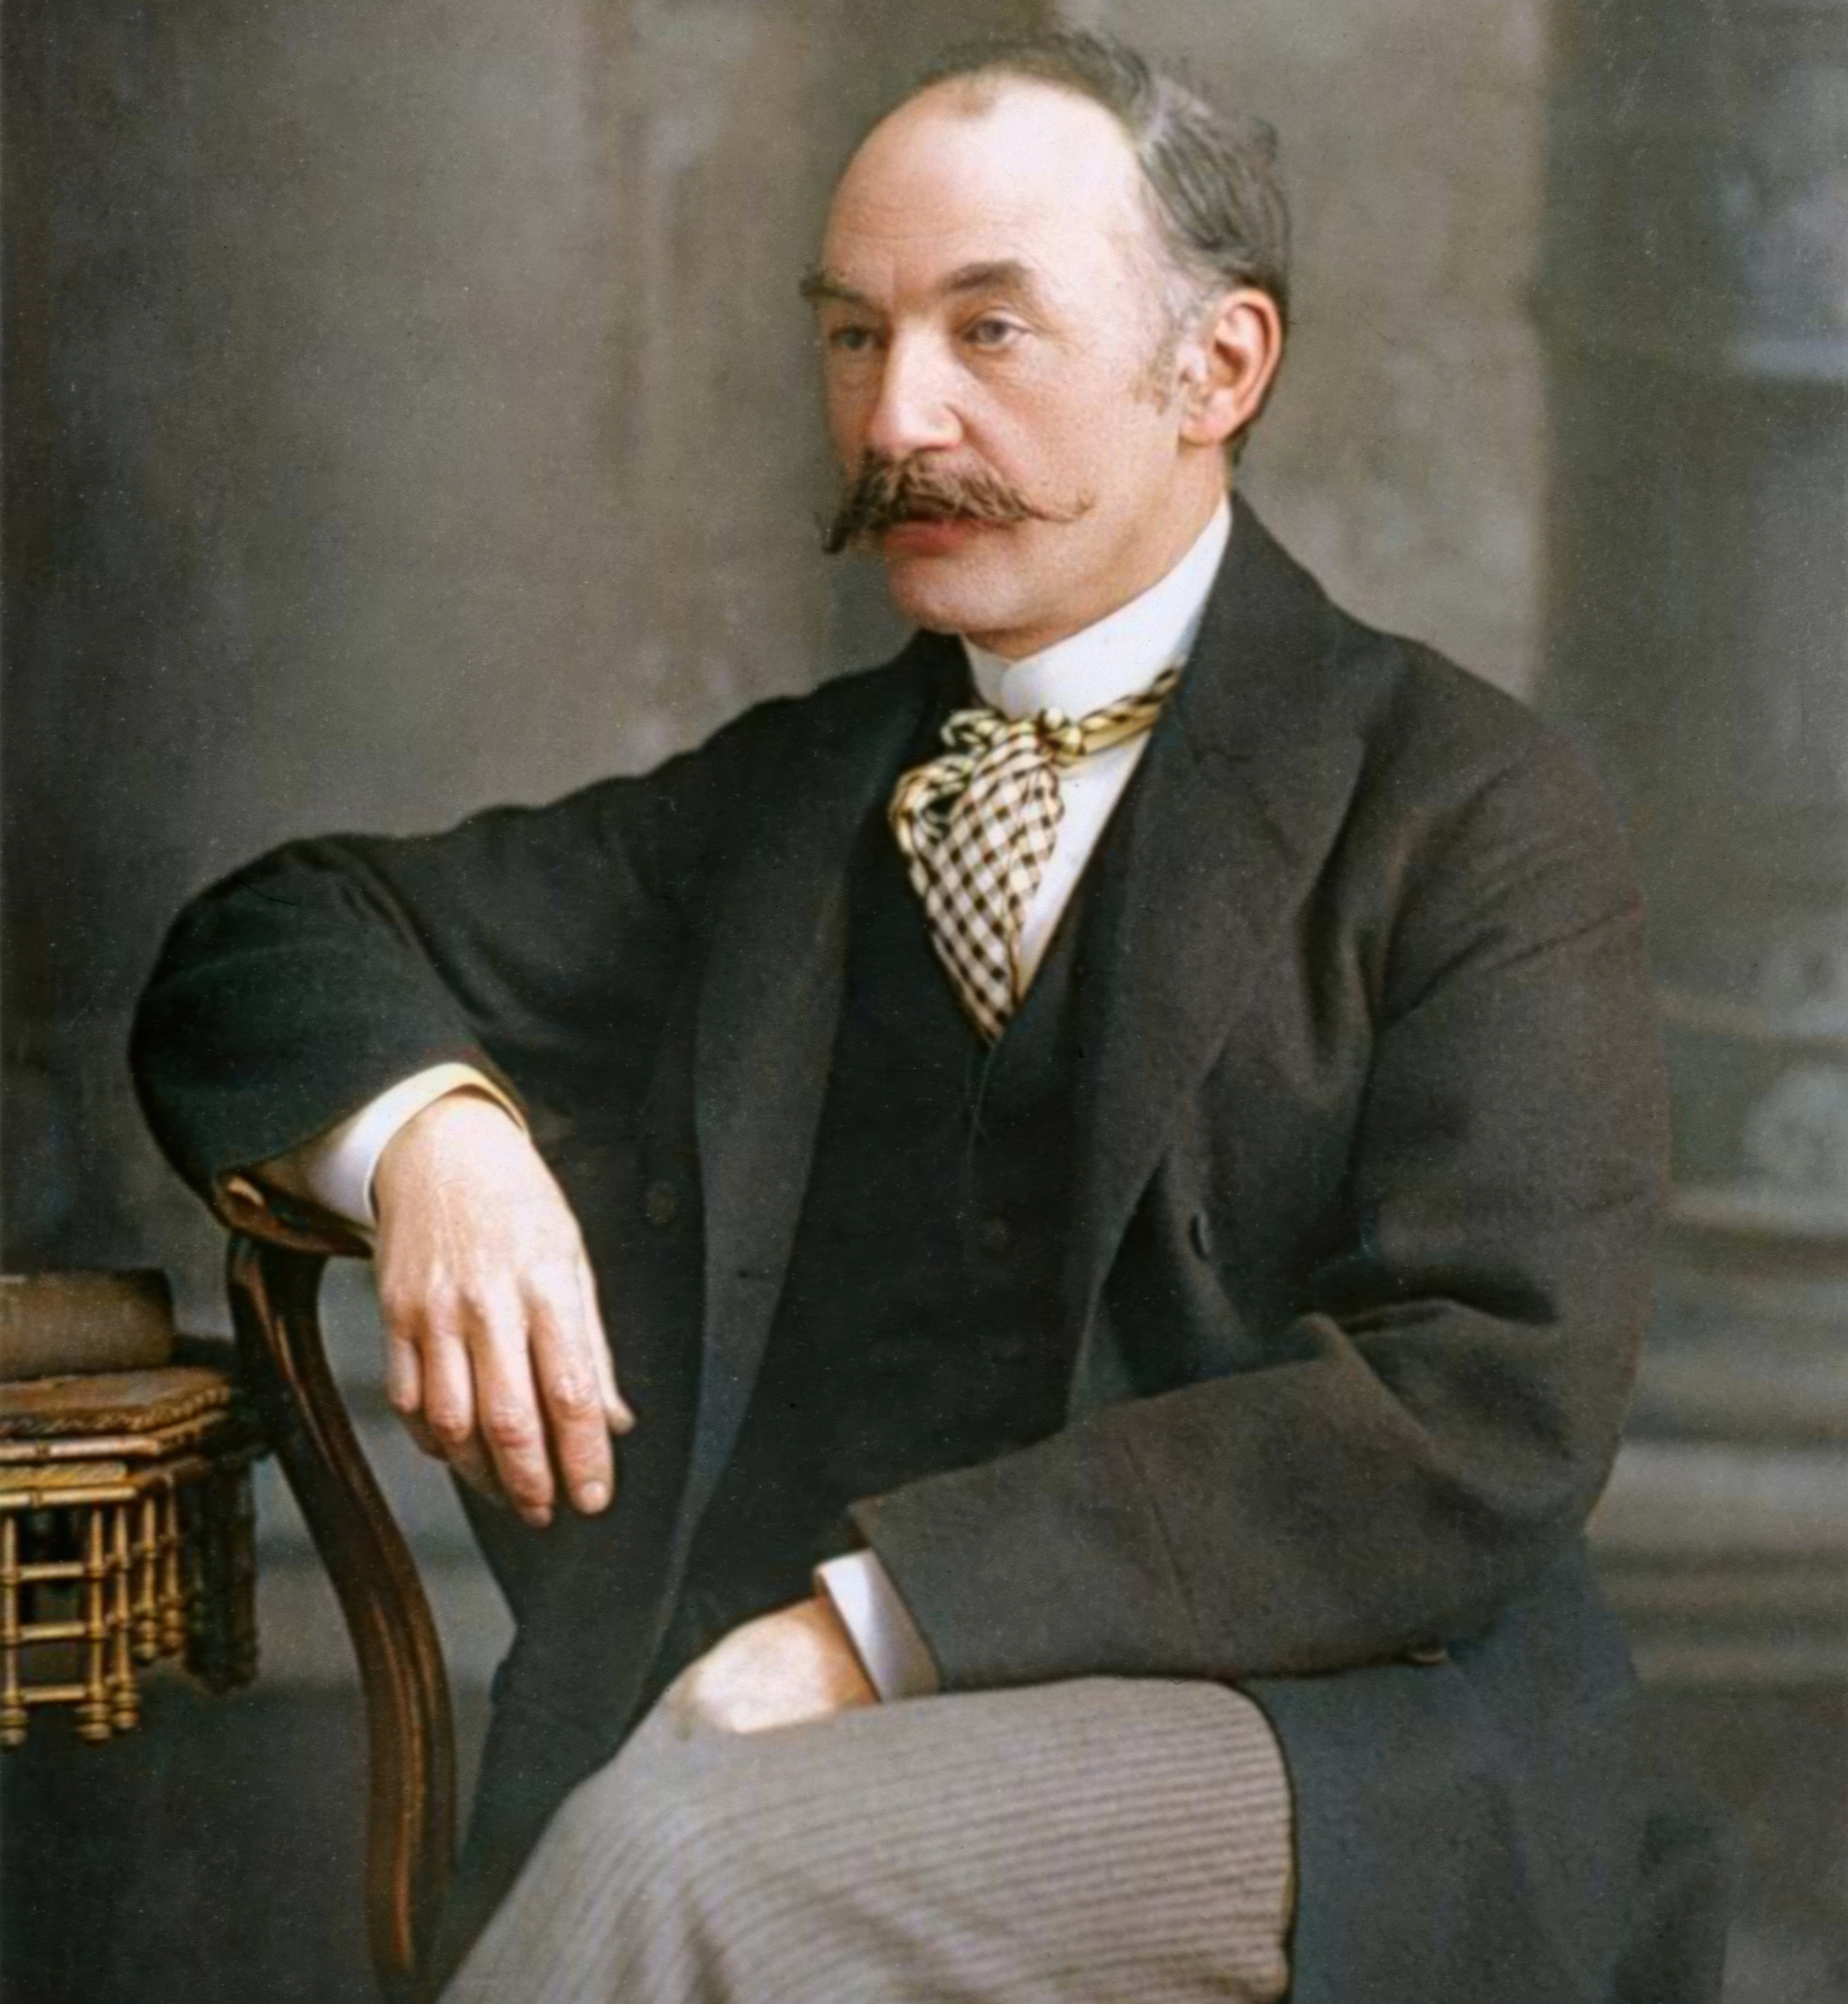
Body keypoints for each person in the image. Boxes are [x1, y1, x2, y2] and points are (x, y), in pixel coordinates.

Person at [132, 31, 1727, 2004]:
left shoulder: (1473, 812)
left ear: (1215, 370)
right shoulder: (788, 805)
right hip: (800, 1739)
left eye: (990, 332)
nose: (899, 416)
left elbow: (1478, 1410)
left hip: (1327, 1733)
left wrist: (859, 1637)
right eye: (853, 336)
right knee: (683, 1847)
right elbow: (268, 941)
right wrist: (439, 1140)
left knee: (684, 1868)